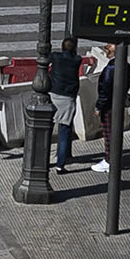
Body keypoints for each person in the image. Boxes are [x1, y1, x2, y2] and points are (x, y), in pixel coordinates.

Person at [47, 37, 81, 172]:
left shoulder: (55, 57)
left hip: (54, 94)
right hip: (68, 98)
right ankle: (60, 165)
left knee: (47, 129)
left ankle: (44, 160)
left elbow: (47, 57)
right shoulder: (77, 60)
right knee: (65, 132)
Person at [92, 43, 127, 174]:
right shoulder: (125, 65)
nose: (105, 51)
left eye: (107, 49)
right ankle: (113, 159)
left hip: (108, 106)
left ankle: (109, 161)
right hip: (118, 103)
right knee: (115, 133)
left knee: (109, 135)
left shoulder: (110, 68)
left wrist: (99, 107)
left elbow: (104, 89)